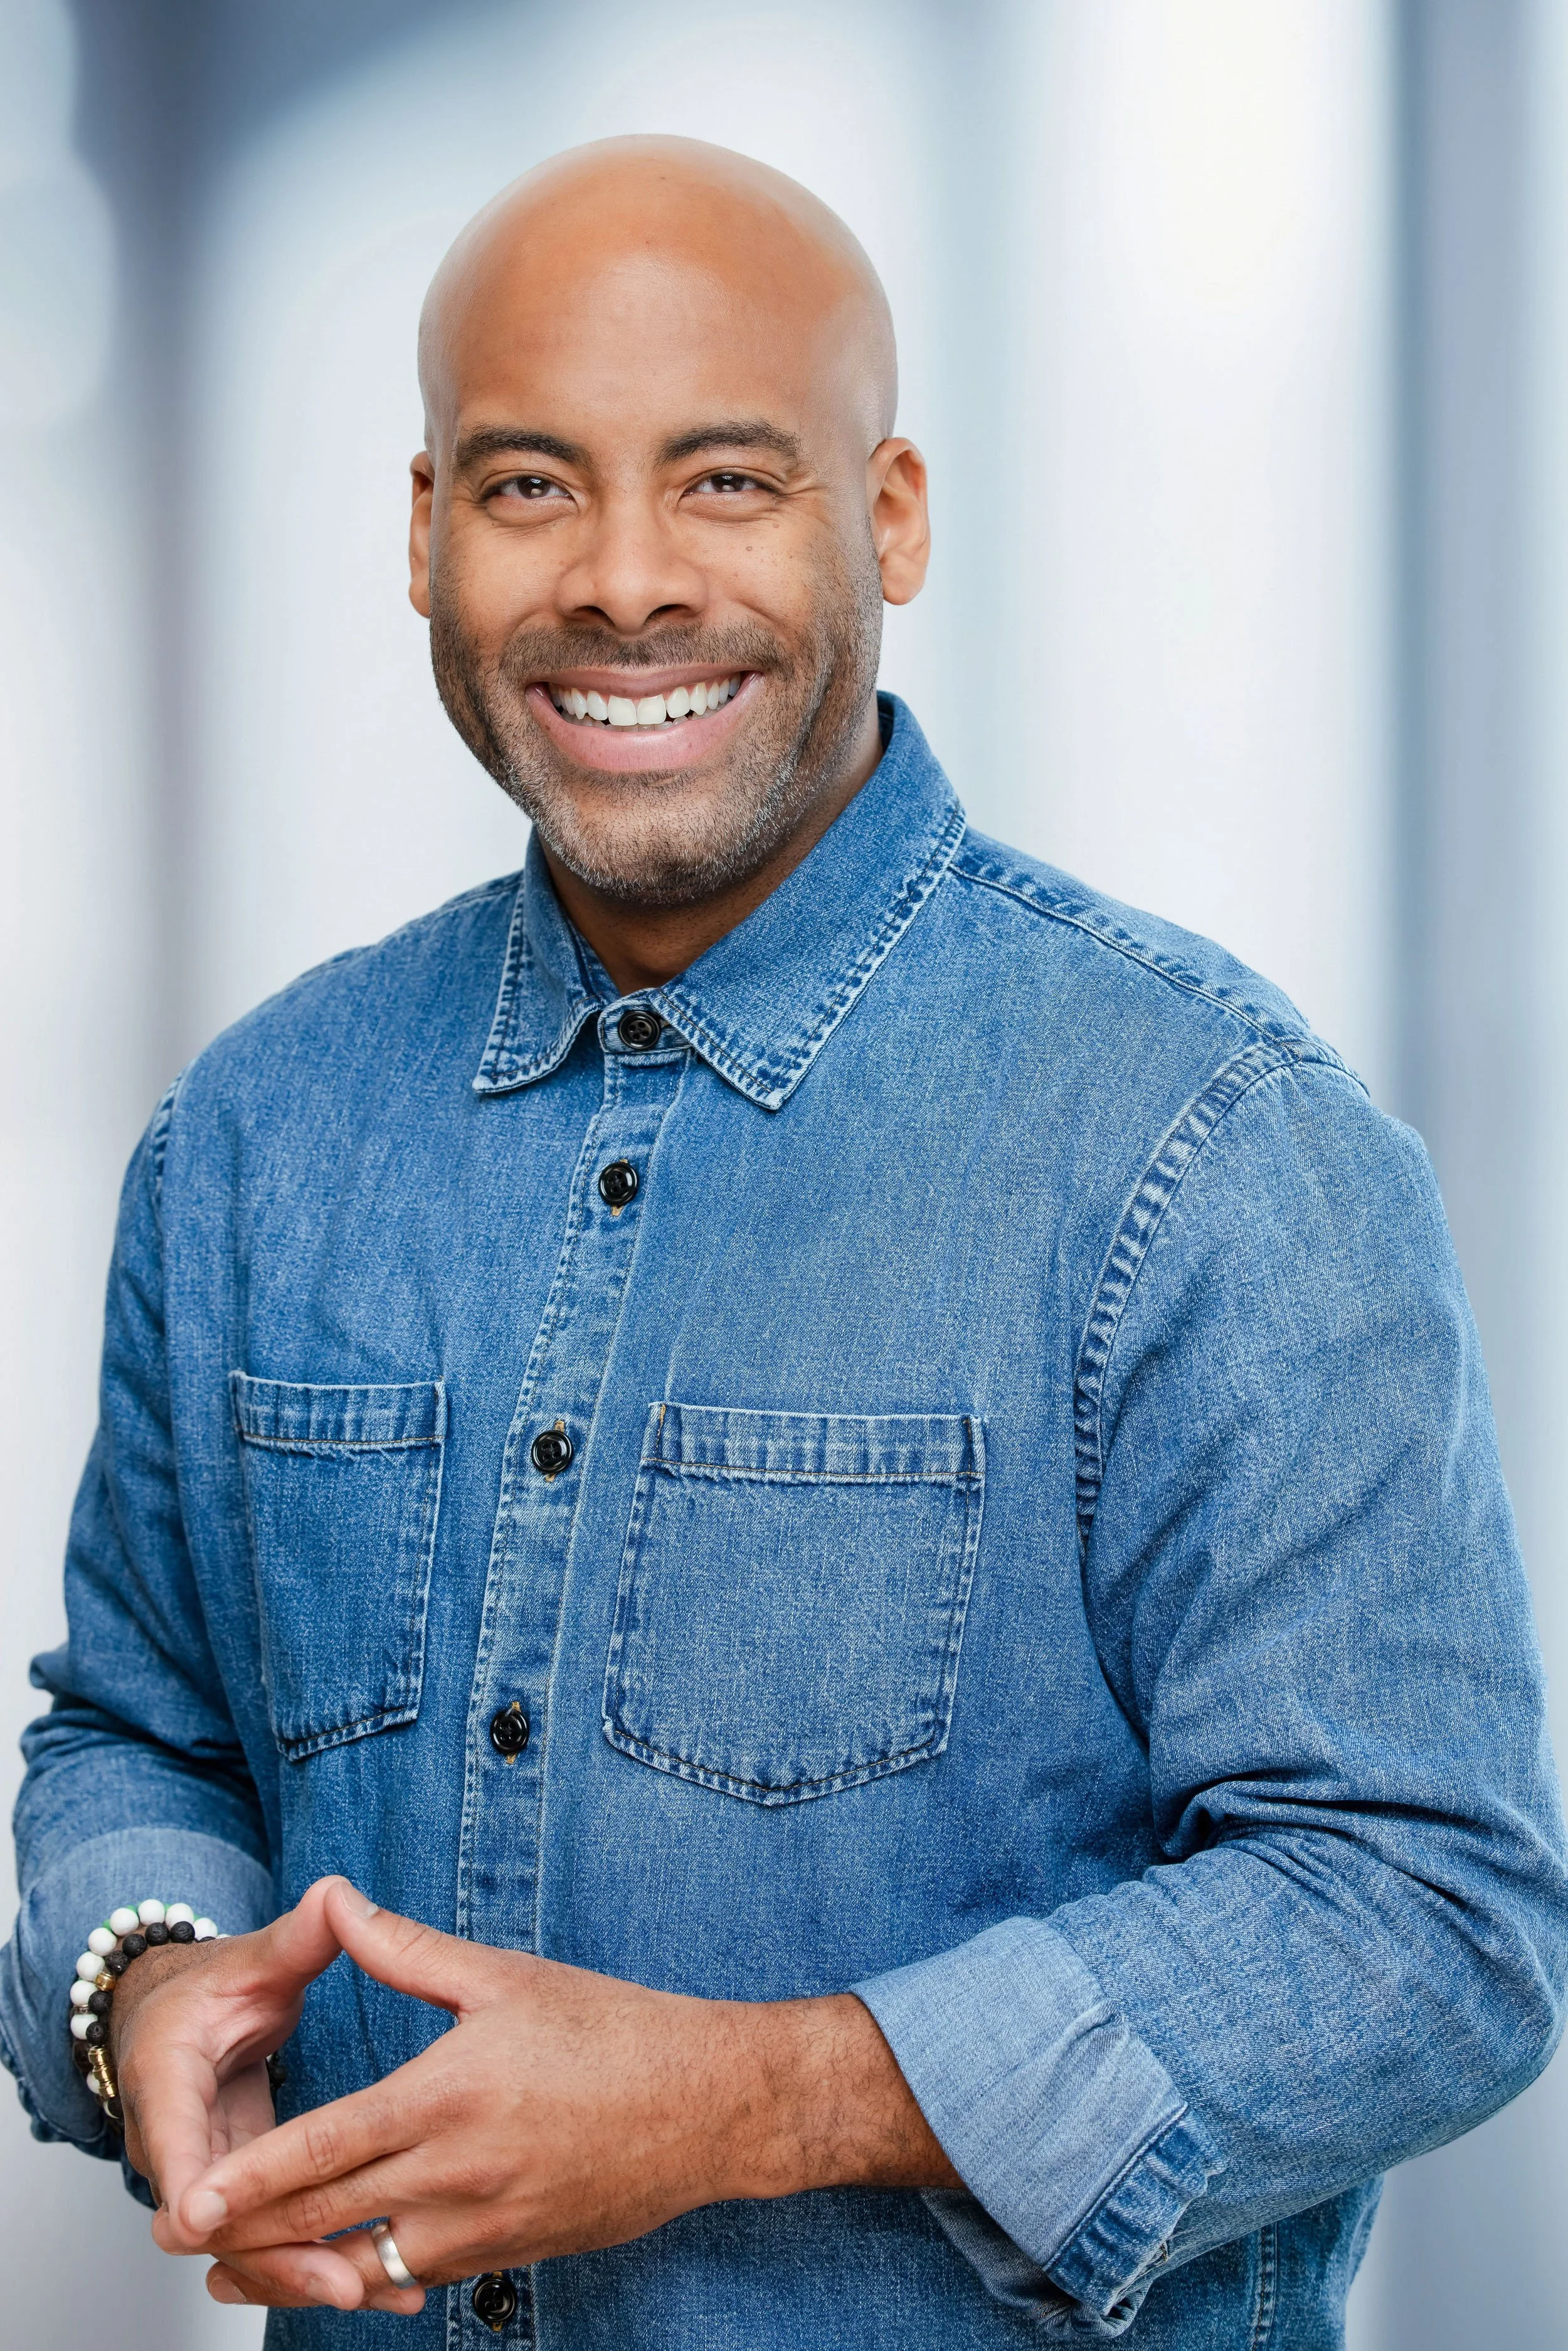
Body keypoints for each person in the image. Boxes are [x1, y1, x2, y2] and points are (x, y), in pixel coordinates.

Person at [3, 134, 1565, 2350]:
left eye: (727, 480)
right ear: (426, 534)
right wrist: (141, 1979)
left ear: (890, 518)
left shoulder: (1207, 1141)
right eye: (532, 484)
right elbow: (140, 1734)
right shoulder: (254, 1137)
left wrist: (749, 2101)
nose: (625, 580)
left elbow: (1431, 1920)